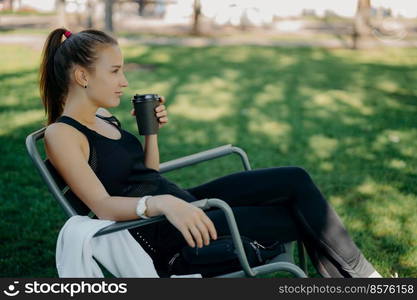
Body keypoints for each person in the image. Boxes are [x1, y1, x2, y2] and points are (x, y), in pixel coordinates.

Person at [39, 28, 383, 278]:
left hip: (179, 202)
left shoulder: (103, 117)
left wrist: (151, 134)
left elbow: (147, 173)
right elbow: (101, 206)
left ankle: (358, 279)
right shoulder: (62, 135)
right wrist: (160, 204)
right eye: (115, 71)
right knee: (300, 218)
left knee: (294, 179)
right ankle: (363, 282)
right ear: (82, 76)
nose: (125, 80)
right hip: (165, 231)